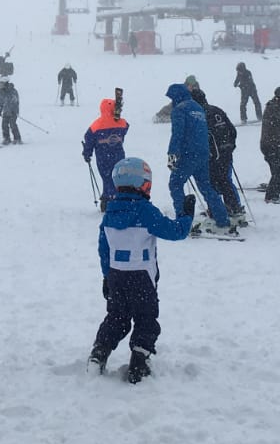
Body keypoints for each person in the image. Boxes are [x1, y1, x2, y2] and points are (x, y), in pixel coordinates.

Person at [88, 157, 194, 384]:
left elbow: (104, 248)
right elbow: (175, 232)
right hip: (142, 278)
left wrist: (106, 275)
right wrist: (186, 216)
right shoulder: (145, 211)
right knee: (146, 319)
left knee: (117, 316)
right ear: (144, 184)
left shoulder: (110, 214)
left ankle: (100, 351)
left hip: (116, 276)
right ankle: (140, 359)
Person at [165, 82, 234, 234]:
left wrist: (172, 154)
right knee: (206, 186)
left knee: (175, 184)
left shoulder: (179, 110)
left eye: (171, 98)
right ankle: (222, 220)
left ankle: (182, 220)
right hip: (203, 153)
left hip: (189, 154)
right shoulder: (198, 108)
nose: (171, 101)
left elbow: (178, 134)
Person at [191, 86, 247, 228]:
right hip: (226, 153)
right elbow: (232, 130)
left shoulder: (199, 114)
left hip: (211, 157)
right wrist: (230, 147)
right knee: (225, 181)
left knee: (210, 184)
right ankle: (234, 207)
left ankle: (217, 210)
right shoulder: (217, 110)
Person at [81, 98, 129, 201]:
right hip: (119, 156)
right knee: (118, 177)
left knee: (107, 177)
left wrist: (87, 153)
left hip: (103, 158)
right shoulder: (121, 123)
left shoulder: (96, 125)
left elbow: (89, 139)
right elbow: (126, 127)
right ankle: (116, 196)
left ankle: (109, 198)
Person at [0, 79, 22, 145]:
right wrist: (0, 109)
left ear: (5, 83)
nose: (0, 85)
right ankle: (6, 138)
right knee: (4, 125)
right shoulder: (1, 91)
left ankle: (17, 139)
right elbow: (1, 101)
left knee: (12, 124)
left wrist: (14, 110)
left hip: (13, 111)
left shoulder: (13, 91)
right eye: (0, 84)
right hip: (6, 111)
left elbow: (16, 101)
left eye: (1, 83)